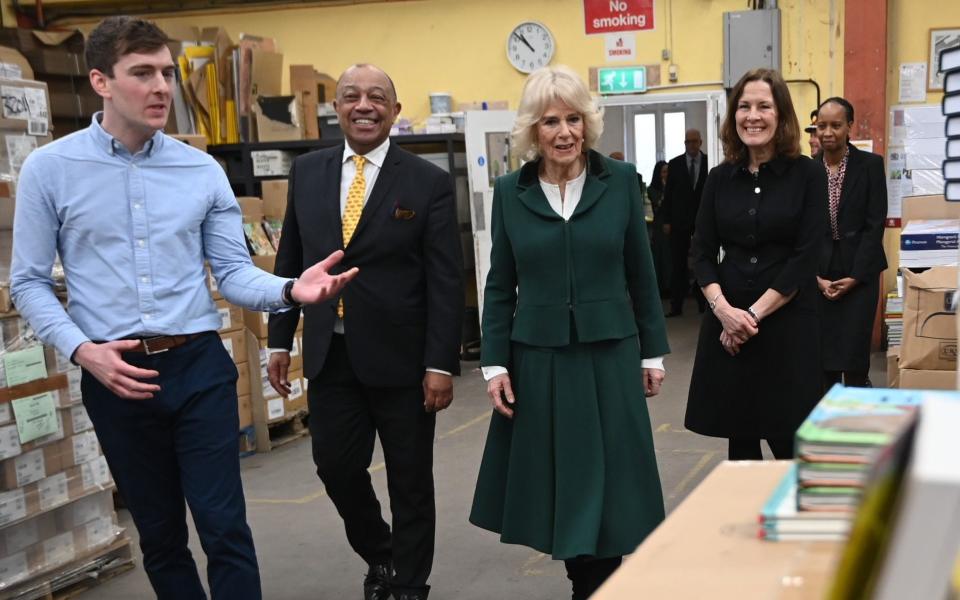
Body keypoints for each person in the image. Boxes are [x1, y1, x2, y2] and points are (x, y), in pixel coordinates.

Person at [9, 16, 356, 600]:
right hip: (116, 375)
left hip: (199, 368)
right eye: (142, 73)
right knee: (161, 536)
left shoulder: (201, 170)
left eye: (167, 73)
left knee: (224, 528)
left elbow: (234, 275)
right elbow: (28, 283)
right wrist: (82, 351)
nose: (162, 87)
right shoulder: (50, 170)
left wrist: (291, 289)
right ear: (101, 81)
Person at [469, 65, 669, 600]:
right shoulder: (511, 192)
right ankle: (587, 582)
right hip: (540, 360)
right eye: (551, 120)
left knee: (616, 487)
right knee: (566, 484)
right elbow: (499, 284)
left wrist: (654, 354)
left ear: (588, 124)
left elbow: (641, 273)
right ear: (533, 130)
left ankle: (598, 585)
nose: (564, 132)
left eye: (574, 118)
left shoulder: (621, 182)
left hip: (611, 354)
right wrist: (495, 363)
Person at [266, 64, 463, 600]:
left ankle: (410, 584)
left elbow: (445, 281)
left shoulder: (428, 182)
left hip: (404, 361)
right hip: (333, 354)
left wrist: (440, 364)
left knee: (410, 480)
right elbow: (292, 261)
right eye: (351, 96)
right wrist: (280, 339)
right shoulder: (308, 172)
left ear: (394, 112)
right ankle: (383, 555)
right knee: (335, 466)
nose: (364, 105)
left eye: (377, 97)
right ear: (337, 108)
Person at [685, 68, 827, 460]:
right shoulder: (719, 178)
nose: (753, 116)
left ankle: (796, 520)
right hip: (728, 325)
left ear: (781, 115)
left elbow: (807, 255)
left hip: (788, 323)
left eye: (764, 106)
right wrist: (724, 311)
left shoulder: (808, 175)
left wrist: (750, 317)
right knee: (741, 441)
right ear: (733, 117)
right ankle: (745, 522)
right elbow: (701, 252)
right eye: (744, 107)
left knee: (790, 444)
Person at [815, 97, 887, 389]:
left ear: (849, 128)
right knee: (824, 356)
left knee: (855, 356)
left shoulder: (870, 165)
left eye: (836, 125)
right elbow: (801, 231)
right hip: (820, 272)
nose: (828, 132)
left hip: (861, 271)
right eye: (822, 126)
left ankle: (857, 416)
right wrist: (815, 277)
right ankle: (828, 420)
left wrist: (856, 276)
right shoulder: (806, 171)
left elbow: (874, 224)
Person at [661, 128, 708, 316]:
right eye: (687, 142)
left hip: (702, 222)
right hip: (679, 222)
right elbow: (669, 195)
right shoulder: (675, 164)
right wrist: (666, 220)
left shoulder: (708, 163)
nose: (691, 145)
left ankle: (703, 304)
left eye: (694, 141)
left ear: (701, 142)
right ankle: (676, 305)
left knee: (702, 262)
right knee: (678, 264)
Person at [648, 160, 671, 295]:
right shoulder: (652, 189)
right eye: (663, 172)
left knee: (670, 257)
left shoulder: (673, 187)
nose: (666, 174)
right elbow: (659, 204)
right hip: (658, 226)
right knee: (659, 256)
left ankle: (670, 286)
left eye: (668, 172)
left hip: (671, 225)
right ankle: (661, 287)